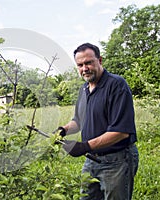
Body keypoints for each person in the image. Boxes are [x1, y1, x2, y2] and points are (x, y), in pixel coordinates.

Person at [58, 43, 139, 200]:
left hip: (117, 160)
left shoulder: (116, 85)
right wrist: (63, 130)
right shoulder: (84, 89)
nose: (84, 68)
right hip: (92, 160)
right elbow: (79, 120)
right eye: (80, 65)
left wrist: (84, 146)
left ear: (100, 60)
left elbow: (121, 132)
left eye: (88, 62)